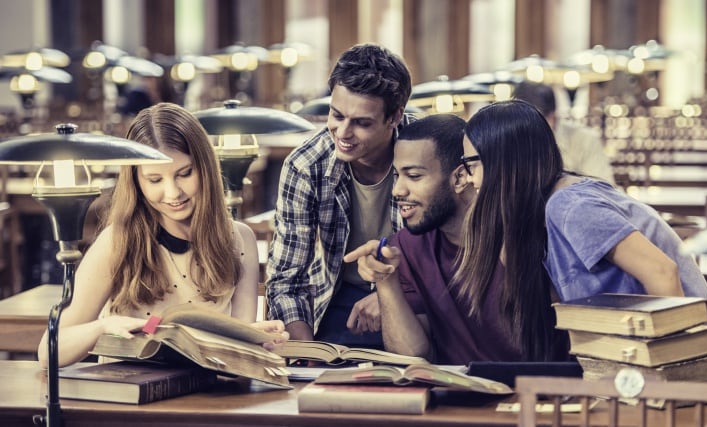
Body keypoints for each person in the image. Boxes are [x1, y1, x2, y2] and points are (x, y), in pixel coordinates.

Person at [458, 99, 707, 379]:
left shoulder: (571, 206)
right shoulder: (546, 211)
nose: (470, 178)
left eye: (471, 164)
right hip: (631, 375)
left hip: (694, 378)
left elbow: (662, 273)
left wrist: (680, 380)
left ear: (502, 161)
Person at [37, 102, 288, 367]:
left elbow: (235, 359)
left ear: (205, 168)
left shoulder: (240, 240)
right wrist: (102, 326)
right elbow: (48, 353)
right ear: (137, 182)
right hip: (130, 387)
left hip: (207, 389)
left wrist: (254, 341)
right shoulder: (117, 241)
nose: (173, 193)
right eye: (155, 180)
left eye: (185, 174)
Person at [343, 114, 569, 364]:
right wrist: (385, 281)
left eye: (414, 176)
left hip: (541, 386)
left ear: (460, 178)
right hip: (458, 388)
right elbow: (412, 356)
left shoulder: (526, 233)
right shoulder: (405, 248)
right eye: (397, 175)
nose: (398, 190)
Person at [266, 43, 414, 348]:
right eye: (337, 115)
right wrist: (305, 353)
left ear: (395, 117)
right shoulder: (306, 165)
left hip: (417, 297)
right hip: (338, 300)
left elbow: (458, 264)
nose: (343, 133)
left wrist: (394, 296)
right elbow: (287, 281)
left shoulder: (429, 152)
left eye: (361, 123)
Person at [513, 81, 616, 185]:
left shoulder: (584, 140)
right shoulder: (511, 139)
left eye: (532, 124)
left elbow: (603, 188)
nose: (526, 134)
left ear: (552, 118)